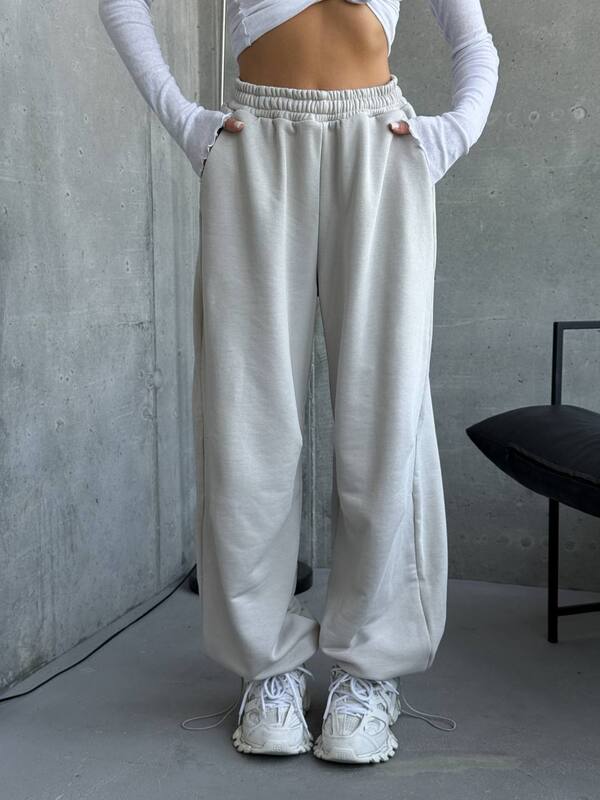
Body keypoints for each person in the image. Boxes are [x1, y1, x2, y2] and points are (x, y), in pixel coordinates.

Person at [98, 0, 499, 765]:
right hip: (256, 143)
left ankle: (369, 671)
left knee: (385, 421)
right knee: (246, 424)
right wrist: (186, 121)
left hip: (378, 144)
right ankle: (266, 666)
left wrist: (452, 131)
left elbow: (474, 40)